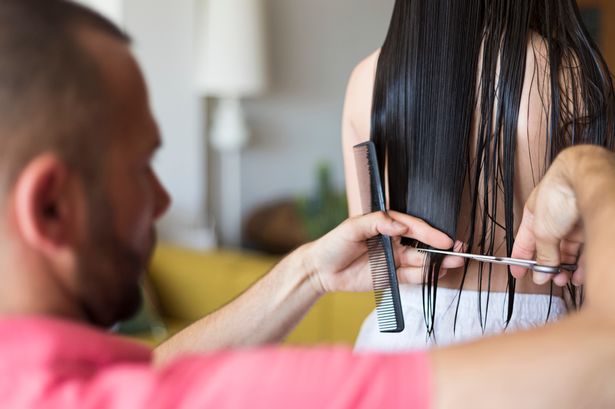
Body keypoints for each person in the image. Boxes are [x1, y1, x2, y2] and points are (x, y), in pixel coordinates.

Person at [1, 1, 614, 408]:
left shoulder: (49, 386)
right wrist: (591, 172)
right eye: (142, 168)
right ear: (49, 206)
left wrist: (310, 271)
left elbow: (146, 381)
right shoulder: (564, 77)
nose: (163, 198)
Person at [343, 0, 614, 351]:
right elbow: (593, 275)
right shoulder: (567, 73)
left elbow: (372, 257)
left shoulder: (366, 78)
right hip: (536, 346)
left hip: (400, 344)